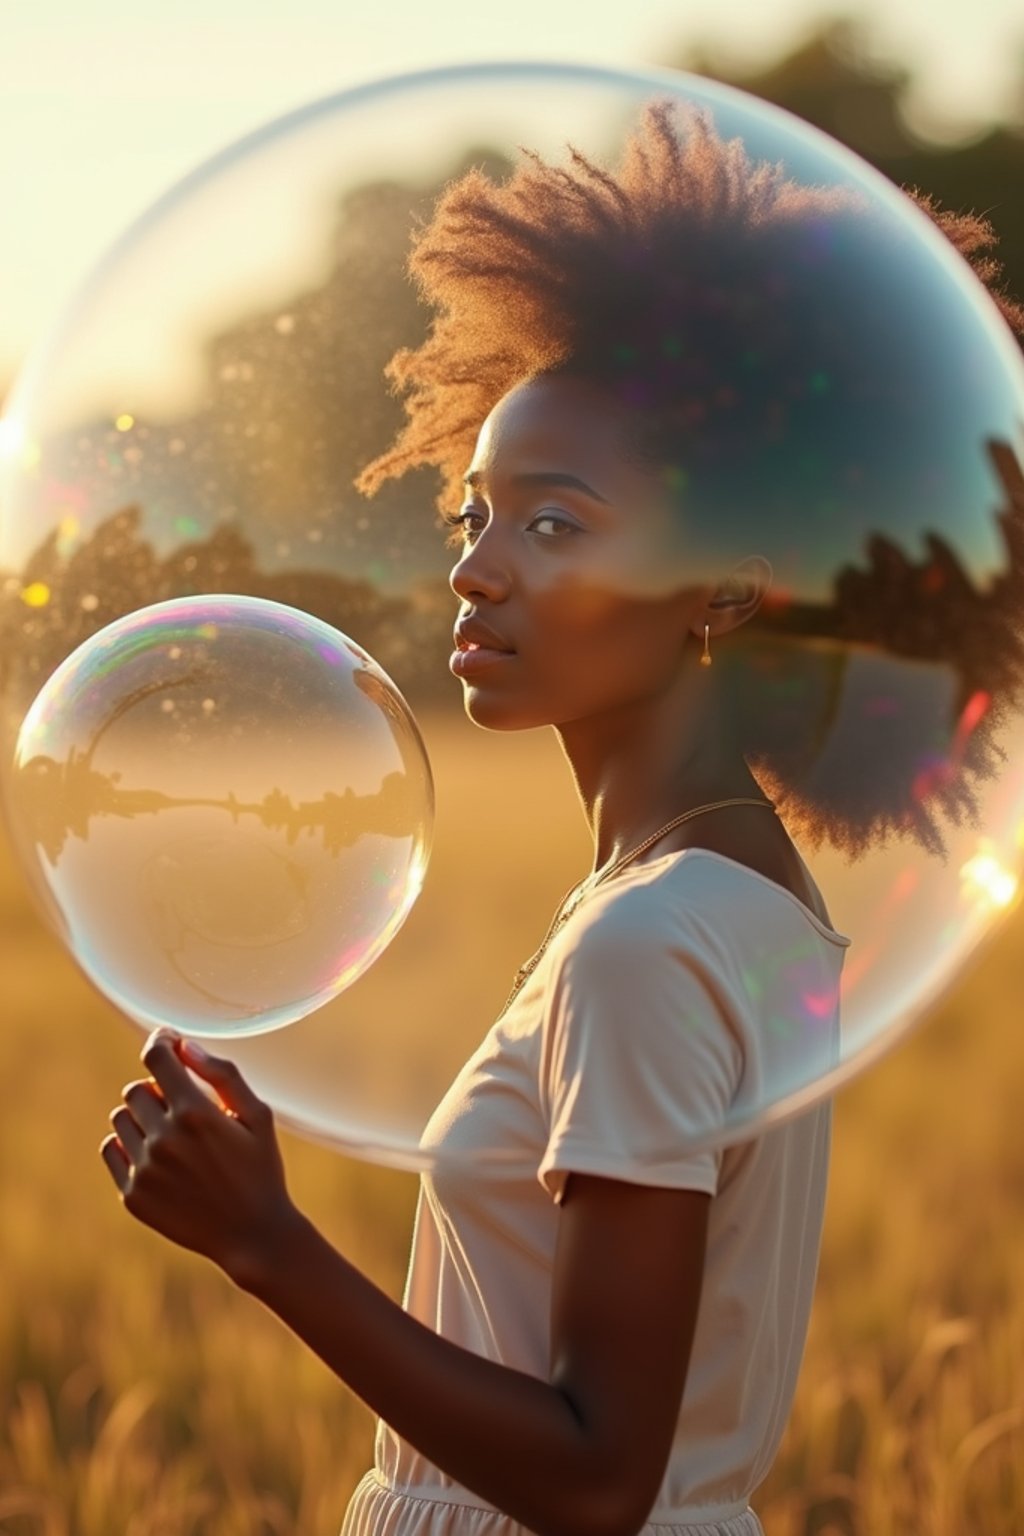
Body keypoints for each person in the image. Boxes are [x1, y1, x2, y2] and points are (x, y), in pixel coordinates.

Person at [100, 100, 1024, 1536]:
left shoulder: (647, 943)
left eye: (555, 524)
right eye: (473, 517)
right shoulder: (732, 894)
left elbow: (599, 1477)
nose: (478, 572)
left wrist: (265, 1242)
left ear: (724, 589)